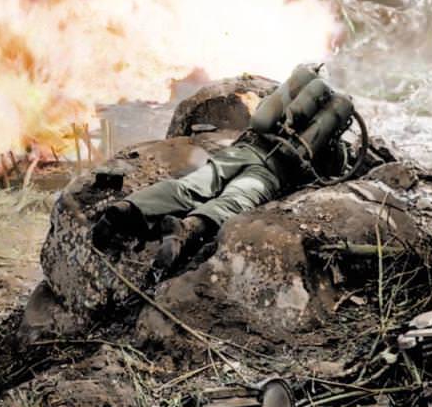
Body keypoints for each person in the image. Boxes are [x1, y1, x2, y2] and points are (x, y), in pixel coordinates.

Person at [92, 66, 356, 274]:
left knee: (193, 185)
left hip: (242, 151)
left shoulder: (288, 101)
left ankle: (129, 208)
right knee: (234, 200)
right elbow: (332, 172)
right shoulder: (328, 137)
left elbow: (261, 116)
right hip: (272, 172)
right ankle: (186, 229)